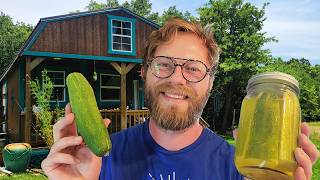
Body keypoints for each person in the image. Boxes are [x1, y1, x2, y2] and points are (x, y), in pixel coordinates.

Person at [41, 19, 319, 180]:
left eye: (193, 68)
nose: (177, 79)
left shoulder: (241, 169)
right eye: (163, 64)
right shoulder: (99, 159)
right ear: (144, 73)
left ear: (210, 82)